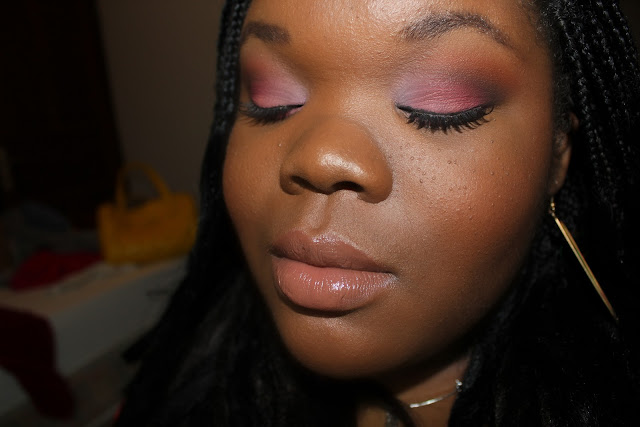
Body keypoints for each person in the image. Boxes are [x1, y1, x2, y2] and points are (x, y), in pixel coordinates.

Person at [115, 0, 640, 426]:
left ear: (558, 153)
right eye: (270, 97)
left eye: (439, 103)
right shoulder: (181, 390)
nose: (320, 158)